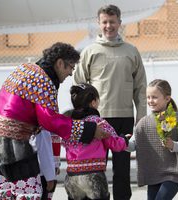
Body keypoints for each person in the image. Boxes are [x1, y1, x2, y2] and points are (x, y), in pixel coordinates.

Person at [0, 42, 108, 199]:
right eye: (70, 67)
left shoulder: (25, 68)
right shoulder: (44, 81)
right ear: (59, 63)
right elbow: (50, 121)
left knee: (4, 193)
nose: (71, 73)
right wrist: (90, 129)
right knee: (30, 193)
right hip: (13, 144)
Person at [73, 4, 147, 200]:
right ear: (99, 24)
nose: (108, 26)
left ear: (119, 23)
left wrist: (141, 119)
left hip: (125, 119)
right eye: (104, 22)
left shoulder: (131, 51)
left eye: (112, 22)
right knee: (95, 168)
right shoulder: (90, 51)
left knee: (122, 170)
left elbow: (140, 88)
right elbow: (78, 86)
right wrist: (82, 117)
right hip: (97, 121)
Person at [63, 83, 129, 200]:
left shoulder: (70, 124)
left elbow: (63, 141)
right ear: (93, 102)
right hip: (93, 174)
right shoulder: (98, 123)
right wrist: (124, 140)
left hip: (72, 174)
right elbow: (115, 143)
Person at [127, 79, 178, 200]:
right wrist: (121, 143)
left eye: (154, 97)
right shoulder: (143, 123)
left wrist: (173, 145)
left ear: (167, 98)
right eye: (148, 97)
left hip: (174, 174)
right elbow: (135, 145)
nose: (150, 101)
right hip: (153, 173)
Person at [30, 129, 61, 200]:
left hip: (42, 170)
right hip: (40, 173)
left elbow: (55, 144)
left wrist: (56, 164)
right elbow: (45, 152)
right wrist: (50, 177)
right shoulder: (42, 128)